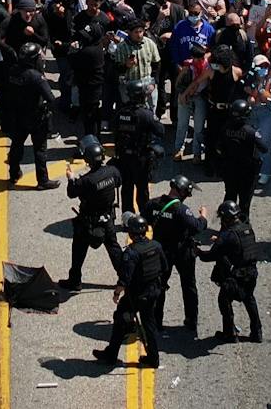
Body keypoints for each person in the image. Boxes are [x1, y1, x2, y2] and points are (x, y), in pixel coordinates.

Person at [94, 210, 168, 366]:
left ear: (132, 233)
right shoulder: (156, 245)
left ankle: (111, 355)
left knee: (120, 319)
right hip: (153, 291)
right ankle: (153, 359)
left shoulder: (132, 252)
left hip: (136, 294)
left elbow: (125, 278)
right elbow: (164, 267)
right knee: (149, 326)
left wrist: (116, 293)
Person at [146, 175, 205, 333]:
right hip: (182, 251)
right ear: (182, 191)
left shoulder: (153, 204)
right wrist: (203, 217)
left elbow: (143, 221)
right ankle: (191, 320)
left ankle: (156, 321)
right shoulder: (181, 209)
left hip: (161, 251)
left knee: (160, 286)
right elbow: (197, 227)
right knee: (189, 285)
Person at [64, 133, 121, 289]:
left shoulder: (86, 181)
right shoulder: (112, 171)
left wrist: (70, 178)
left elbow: (71, 193)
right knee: (114, 248)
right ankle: (125, 279)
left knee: (78, 250)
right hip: (107, 218)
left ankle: (75, 281)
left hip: (88, 221)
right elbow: (118, 182)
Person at [201, 198, 262, 342]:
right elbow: (238, 247)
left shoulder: (227, 235)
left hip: (237, 276)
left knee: (224, 299)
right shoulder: (247, 229)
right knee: (249, 298)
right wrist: (220, 240)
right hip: (251, 273)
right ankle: (257, 331)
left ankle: (229, 333)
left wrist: (198, 252)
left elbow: (210, 256)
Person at [0, 42, 54, 186]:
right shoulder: (36, 77)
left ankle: (14, 174)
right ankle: (42, 180)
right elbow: (50, 98)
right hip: (36, 118)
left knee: (16, 146)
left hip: (18, 116)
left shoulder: (12, 71)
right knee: (40, 150)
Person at [114, 75, 165, 211]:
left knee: (127, 188)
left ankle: (127, 217)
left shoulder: (120, 112)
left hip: (124, 156)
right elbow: (160, 130)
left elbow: (116, 131)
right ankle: (144, 216)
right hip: (140, 157)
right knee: (142, 189)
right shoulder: (145, 114)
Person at [215, 93, 264, 220]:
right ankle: (242, 229)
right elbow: (264, 148)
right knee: (244, 202)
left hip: (229, 169)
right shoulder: (251, 132)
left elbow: (219, 148)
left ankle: (225, 224)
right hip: (247, 172)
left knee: (230, 196)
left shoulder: (225, 128)